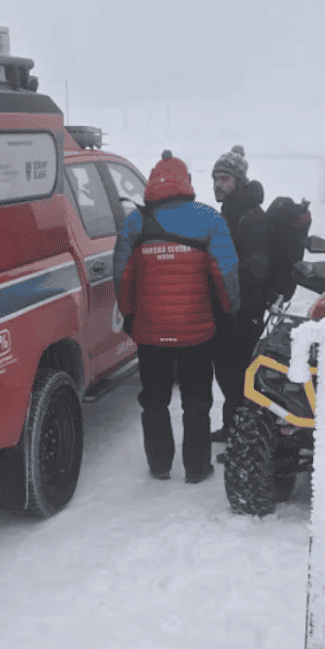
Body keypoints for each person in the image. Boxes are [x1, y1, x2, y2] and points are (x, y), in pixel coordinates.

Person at [113, 151, 240, 483]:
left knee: (154, 400)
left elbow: (122, 277)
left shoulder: (135, 222)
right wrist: (228, 312)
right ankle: (197, 469)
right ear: (187, 183)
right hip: (196, 331)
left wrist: (129, 315)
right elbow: (226, 273)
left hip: (150, 331)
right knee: (196, 401)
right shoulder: (209, 218)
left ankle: (159, 465)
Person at [209, 145, 271, 442]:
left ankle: (244, 436)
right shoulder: (231, 213)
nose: (218, 185)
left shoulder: (251, 217)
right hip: (230, 304)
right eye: (216, 178)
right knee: (227, 371)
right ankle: (233, 427)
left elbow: (257, 266)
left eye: (225, 178)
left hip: (245, 308)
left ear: (239, 181)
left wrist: (223, 278)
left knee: (238, 373)